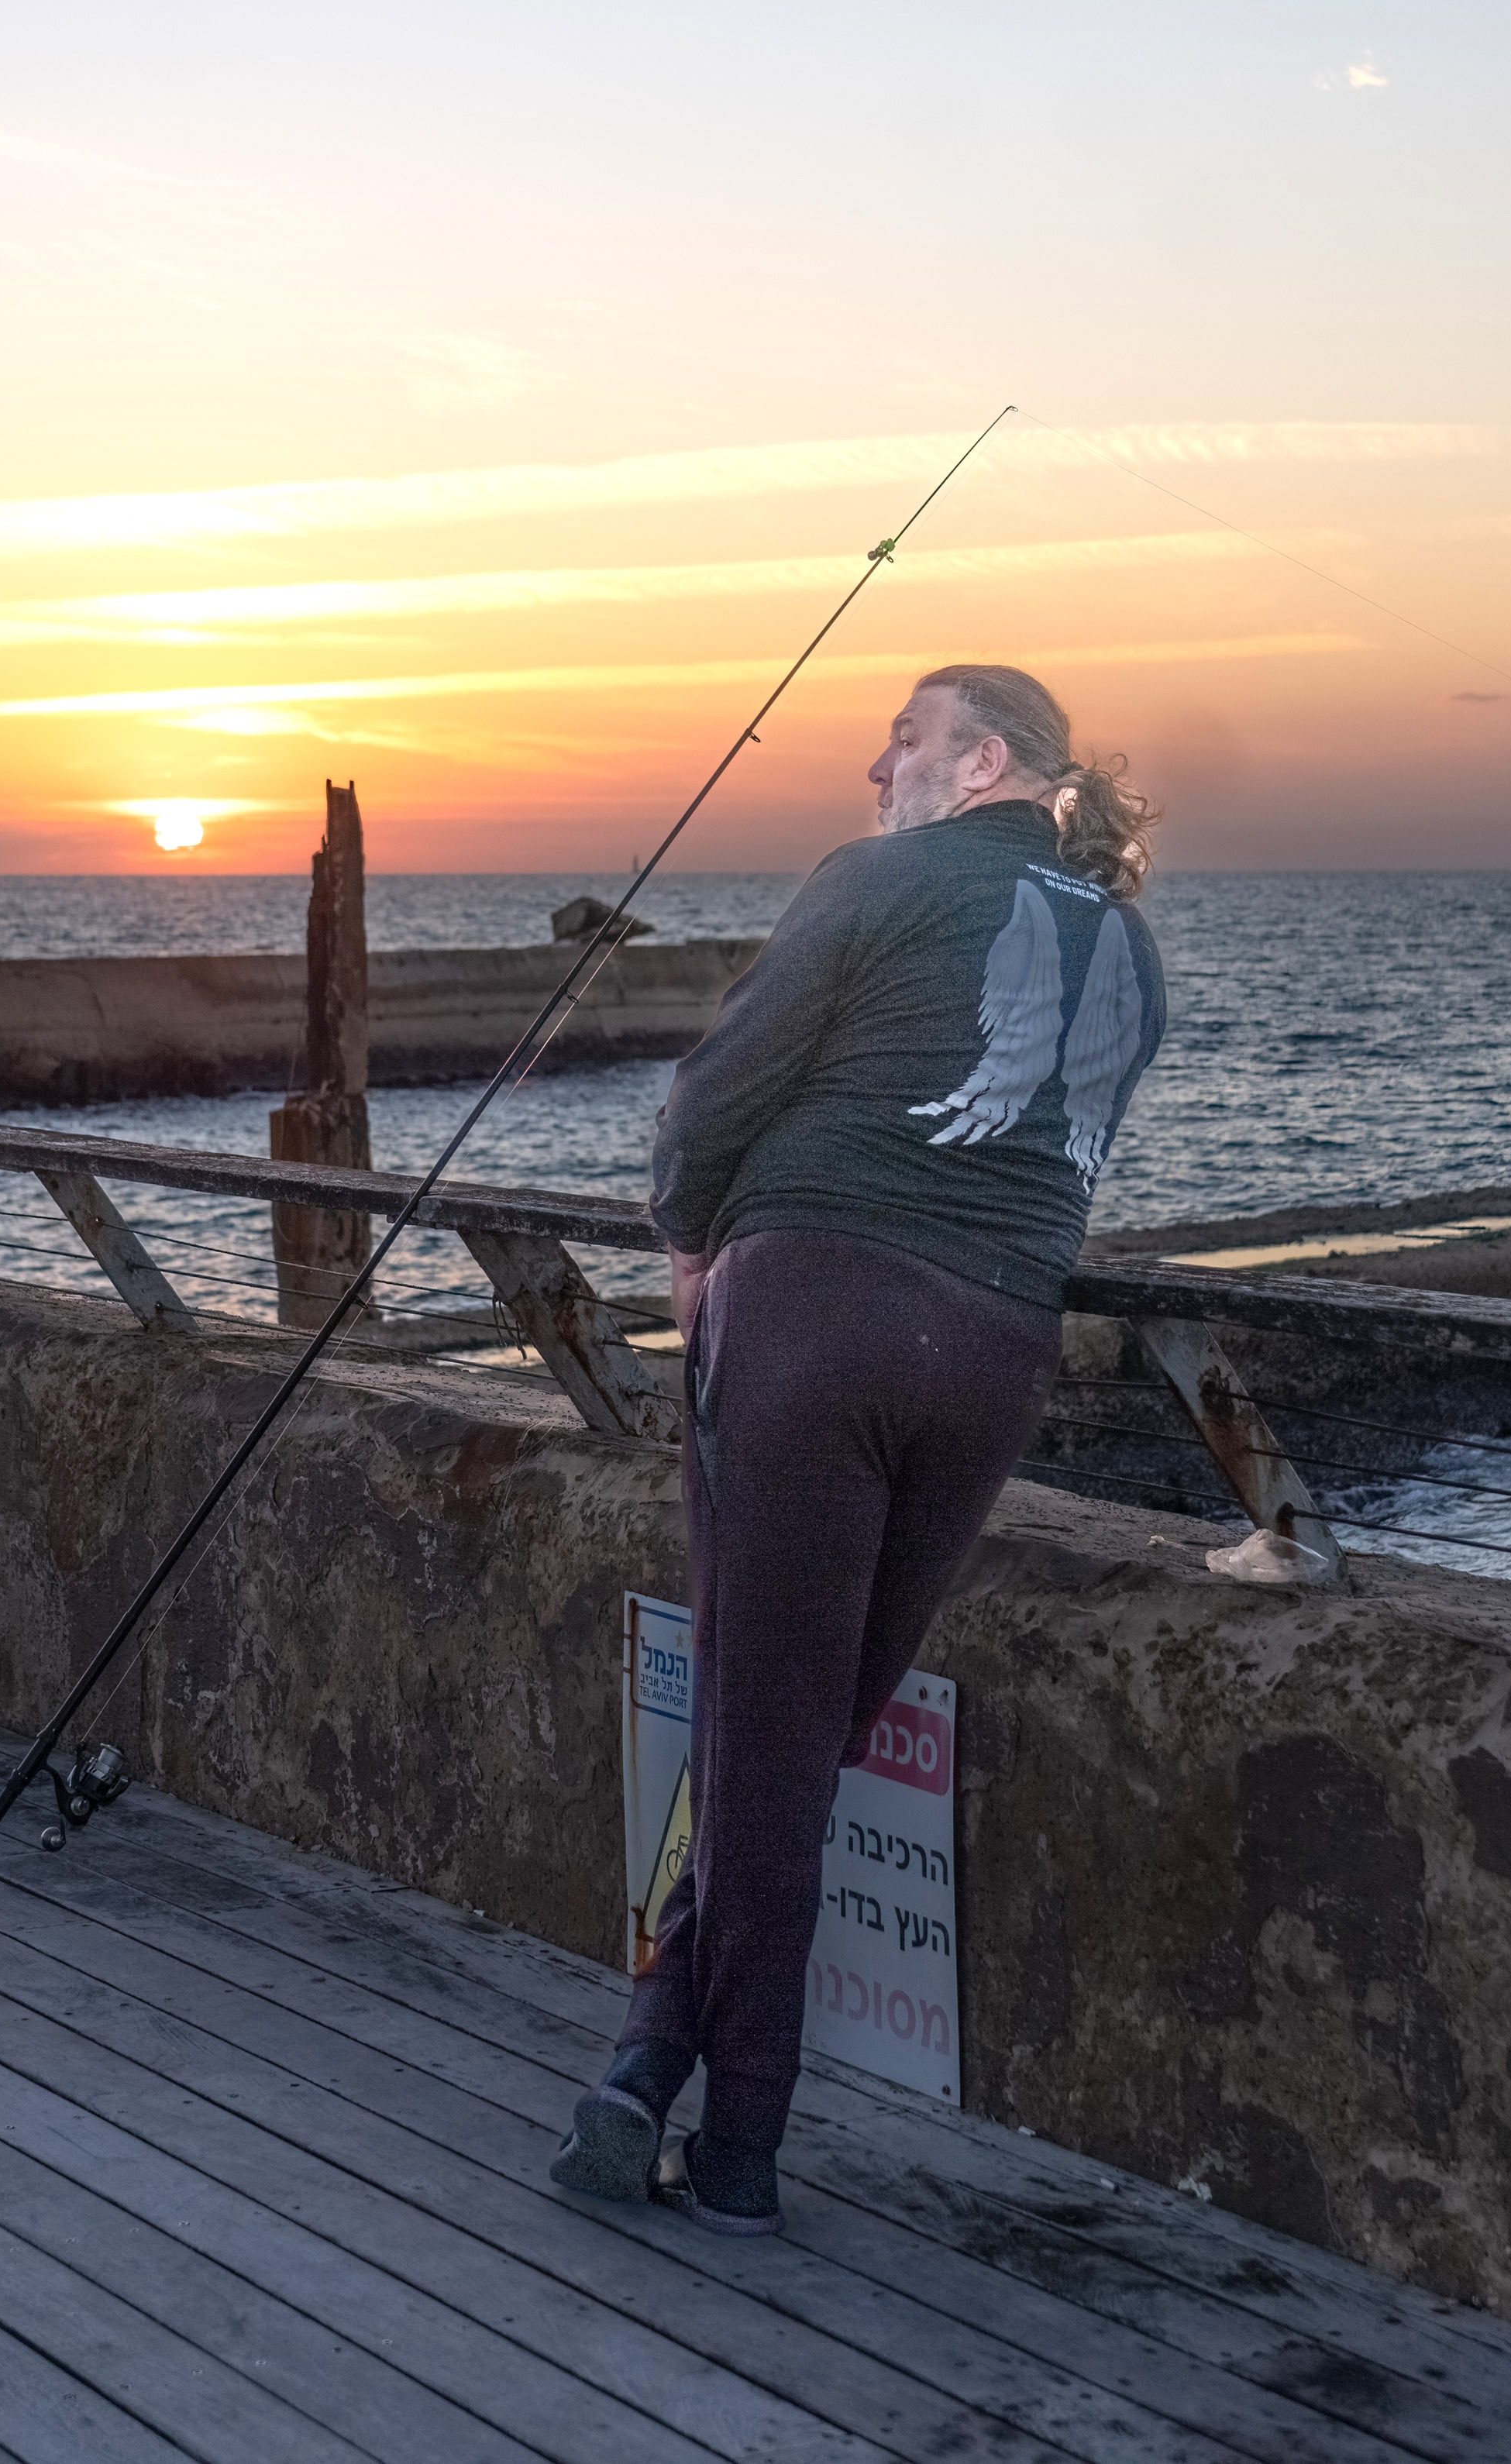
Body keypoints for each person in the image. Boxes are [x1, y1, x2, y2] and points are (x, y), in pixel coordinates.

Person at [552, 663, 1166, 2233]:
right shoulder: (1134, 952)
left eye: (904, 737)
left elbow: (712, 1102)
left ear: (981, 766)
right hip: (992, 1354)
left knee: (761, 1742)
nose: (870, 763)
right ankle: (641, 2069)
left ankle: (737, 2144)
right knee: (803, 1735)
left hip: (812, 1318)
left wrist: (691, 1243)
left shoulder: (875, 879)